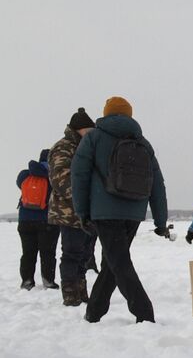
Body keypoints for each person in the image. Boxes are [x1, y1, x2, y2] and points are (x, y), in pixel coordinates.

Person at [71, 97, 170, 323]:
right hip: (134, 212)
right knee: (114, 262)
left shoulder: (93, 138)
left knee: (118, 262)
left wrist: (82, 212)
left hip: (104, 211)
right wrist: (160, 221)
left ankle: (145, 314)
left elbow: (79, 175)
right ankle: (94, 312)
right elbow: (157, 184)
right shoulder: (142, 142)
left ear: (106, 114)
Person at [47, 107, 101, 306]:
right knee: (71, 253)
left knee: (85, 254)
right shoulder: (64, 147)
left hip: (85, 212)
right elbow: (60, 178)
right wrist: (82, 200)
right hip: (69, 213)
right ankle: (70, 294)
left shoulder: (86, 146)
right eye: (88, 131)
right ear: (78, 129)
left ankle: (81, 291)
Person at [16, 150, 60, 291]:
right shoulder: (53, 176)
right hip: (47, 221)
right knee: (47, 252)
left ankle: (27, 281)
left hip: (25, 220)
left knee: (28, 252)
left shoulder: (24, 175)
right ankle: (48, 280)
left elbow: (19, 184)